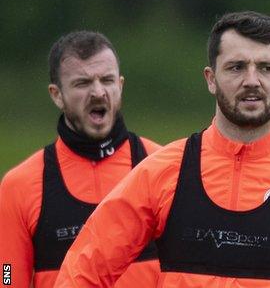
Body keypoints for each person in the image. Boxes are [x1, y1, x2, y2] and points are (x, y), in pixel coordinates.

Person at [54, 11, 270, 288]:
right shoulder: (163, 171)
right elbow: (85, 269)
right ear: (211, 78)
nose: (252, 80)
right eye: (235, 67)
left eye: (266, 68)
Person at [0, 31, 161, 287]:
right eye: (82, 83)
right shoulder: (19, 185)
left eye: (107, 80)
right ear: (56, 95)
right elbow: (6, 275)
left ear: (120, 85)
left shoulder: (163, 167)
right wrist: (5, 275)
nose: (98, 92)